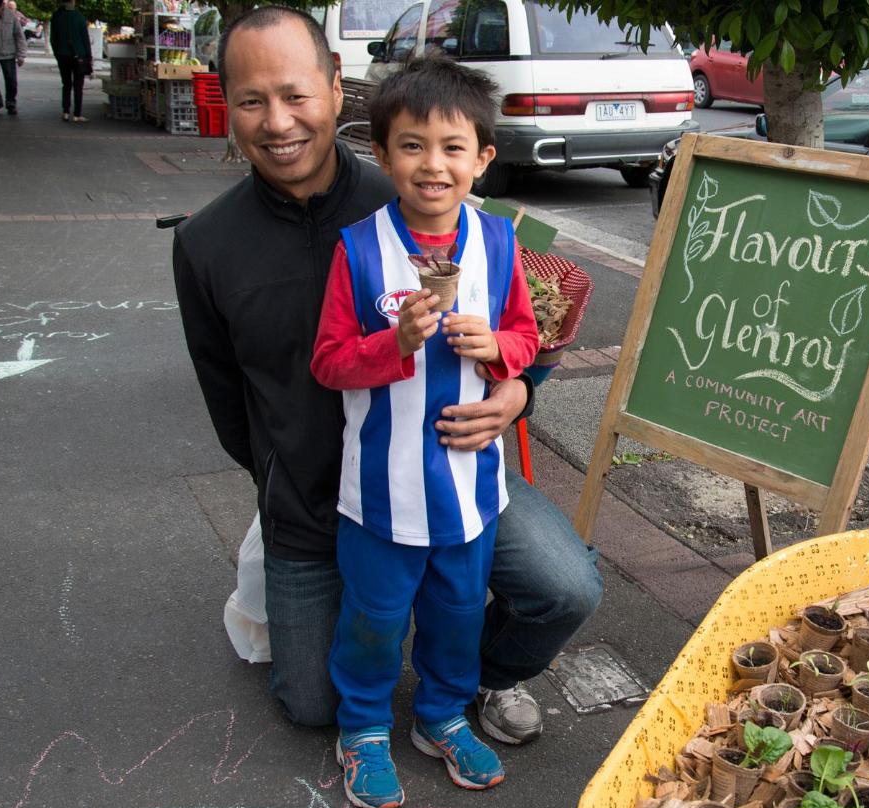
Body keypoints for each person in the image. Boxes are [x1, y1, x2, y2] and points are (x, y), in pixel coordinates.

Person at [171, 5, 600, 755]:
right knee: (313, 704)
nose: (278, 121)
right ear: (228, 105)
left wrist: (516, 392)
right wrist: (278, 480)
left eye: (296, 94)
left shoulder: (420, 191)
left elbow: (525, 327)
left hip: (451, 464)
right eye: (252, 100)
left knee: (565, 588)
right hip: (313, 498)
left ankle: (477, 678)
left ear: (337, 89)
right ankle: (371, 663)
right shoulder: (207, 243)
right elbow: (226, 398)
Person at [309, 59, 541, 808]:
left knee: (457, 615)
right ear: (382, 154)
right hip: (382, 492)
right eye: (412, 145)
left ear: (483, 158)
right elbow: (329, 363)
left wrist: (498, 349)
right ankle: (364, 726)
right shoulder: (358, 249)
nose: (432, 164)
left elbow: (527, 338)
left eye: (452, 147)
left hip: (470, 491)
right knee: (374, 620)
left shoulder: (499, 243)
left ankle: (441, 715)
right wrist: (396, 343)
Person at [49, 0, 91, 122]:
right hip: (79, 55)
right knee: (78, 85)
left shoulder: (57, 16)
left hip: (62, 55)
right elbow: (85, 39)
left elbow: (53, 38)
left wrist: (57, 53)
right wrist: (89, 57)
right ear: (73, 2)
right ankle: (77, 114)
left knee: (66, 84)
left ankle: (66, 111)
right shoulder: (79, 17)